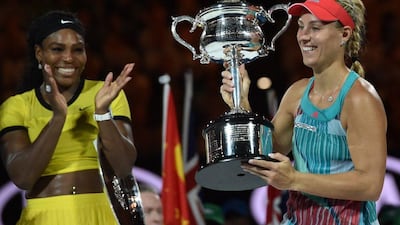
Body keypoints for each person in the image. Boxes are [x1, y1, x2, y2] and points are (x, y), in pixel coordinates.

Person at [220, 0, 387, 224]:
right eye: (300, 26)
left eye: (316, 28)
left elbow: (370, 185)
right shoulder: (297, 93)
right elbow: (265, 153)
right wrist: (240, 105)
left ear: (344, 34)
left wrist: (295, 180)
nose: (303, 36)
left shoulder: (359, 99)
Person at [0, 10, 137, 225]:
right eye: (57, 49)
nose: (68, 58)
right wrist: (58, 117)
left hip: (101, 213)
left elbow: (123, 167)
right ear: (39, 53)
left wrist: (102, 114)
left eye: (78, 50)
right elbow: (23, 177)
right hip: (44, 217)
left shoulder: (106, 93)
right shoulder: (17, 106)